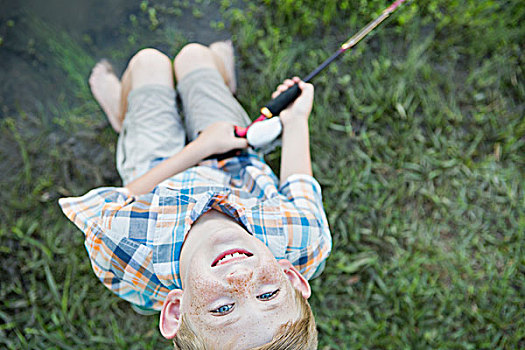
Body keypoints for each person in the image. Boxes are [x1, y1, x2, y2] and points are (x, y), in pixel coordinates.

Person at [59, 41, 331, 349]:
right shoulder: (304, 239)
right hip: (233, 157)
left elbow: (108, 204)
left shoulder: (125, 247)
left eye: (223, 308)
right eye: (268, 294)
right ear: (291, 277)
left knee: (148, 63)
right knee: (194, 56)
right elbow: (299, 183)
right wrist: (295, 120)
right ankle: (222, 81)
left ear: (175, 310)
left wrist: (200, 148)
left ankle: (122, 117)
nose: (241, 275)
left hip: (156, 171)